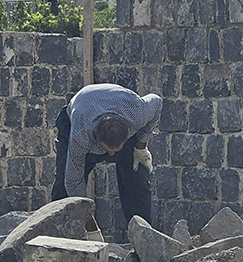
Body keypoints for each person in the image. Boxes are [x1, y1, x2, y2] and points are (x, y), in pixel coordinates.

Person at [51, 83, 163, 228]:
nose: (111, 154)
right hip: (79, 114)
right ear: (98, 142)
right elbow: (73, 182)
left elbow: (157, 102)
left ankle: (144, 235)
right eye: (108, 149)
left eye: (116, 150)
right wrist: (91, 226)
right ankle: (58, 238)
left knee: (137, 180)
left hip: (121, 109)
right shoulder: (80, 135)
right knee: (63, 189)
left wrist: (140, 146)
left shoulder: (137, 113)